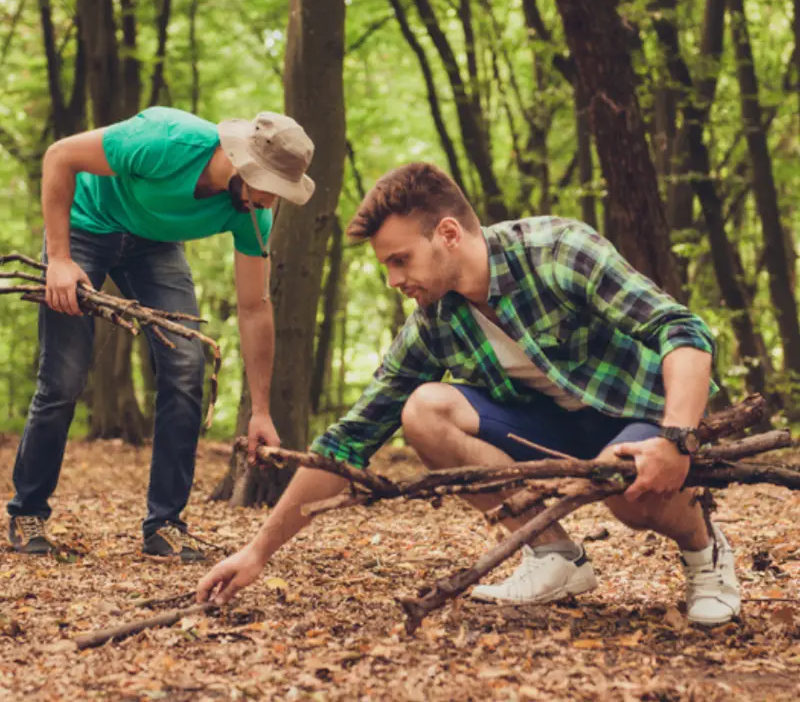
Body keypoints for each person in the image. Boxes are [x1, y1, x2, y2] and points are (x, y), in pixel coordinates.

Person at [197, 162, 740, 626]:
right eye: (387, 265)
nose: (393, 280)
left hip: (641, 419)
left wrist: (677, 438)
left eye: (400, 260)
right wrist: (257, 552)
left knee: (625, 488)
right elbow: (348, 442)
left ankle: (705, 552)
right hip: (552, 430)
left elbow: (682, 330)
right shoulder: (434, 322)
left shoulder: (556, 250)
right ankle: (554, 555)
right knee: (423, 410)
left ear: (449, 234)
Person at [7, 106, 315, 562]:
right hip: (85, 224)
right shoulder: (166, 141)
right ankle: (27, 511)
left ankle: (165, 524)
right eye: (269, 186)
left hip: (153, 244)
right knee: (63, 378)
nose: (271, 201)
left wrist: (261, 411)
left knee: (187, 366)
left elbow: (254, 308)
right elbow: (59, 156)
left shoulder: (251, 214)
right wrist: (59, 258)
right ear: (242, 162)